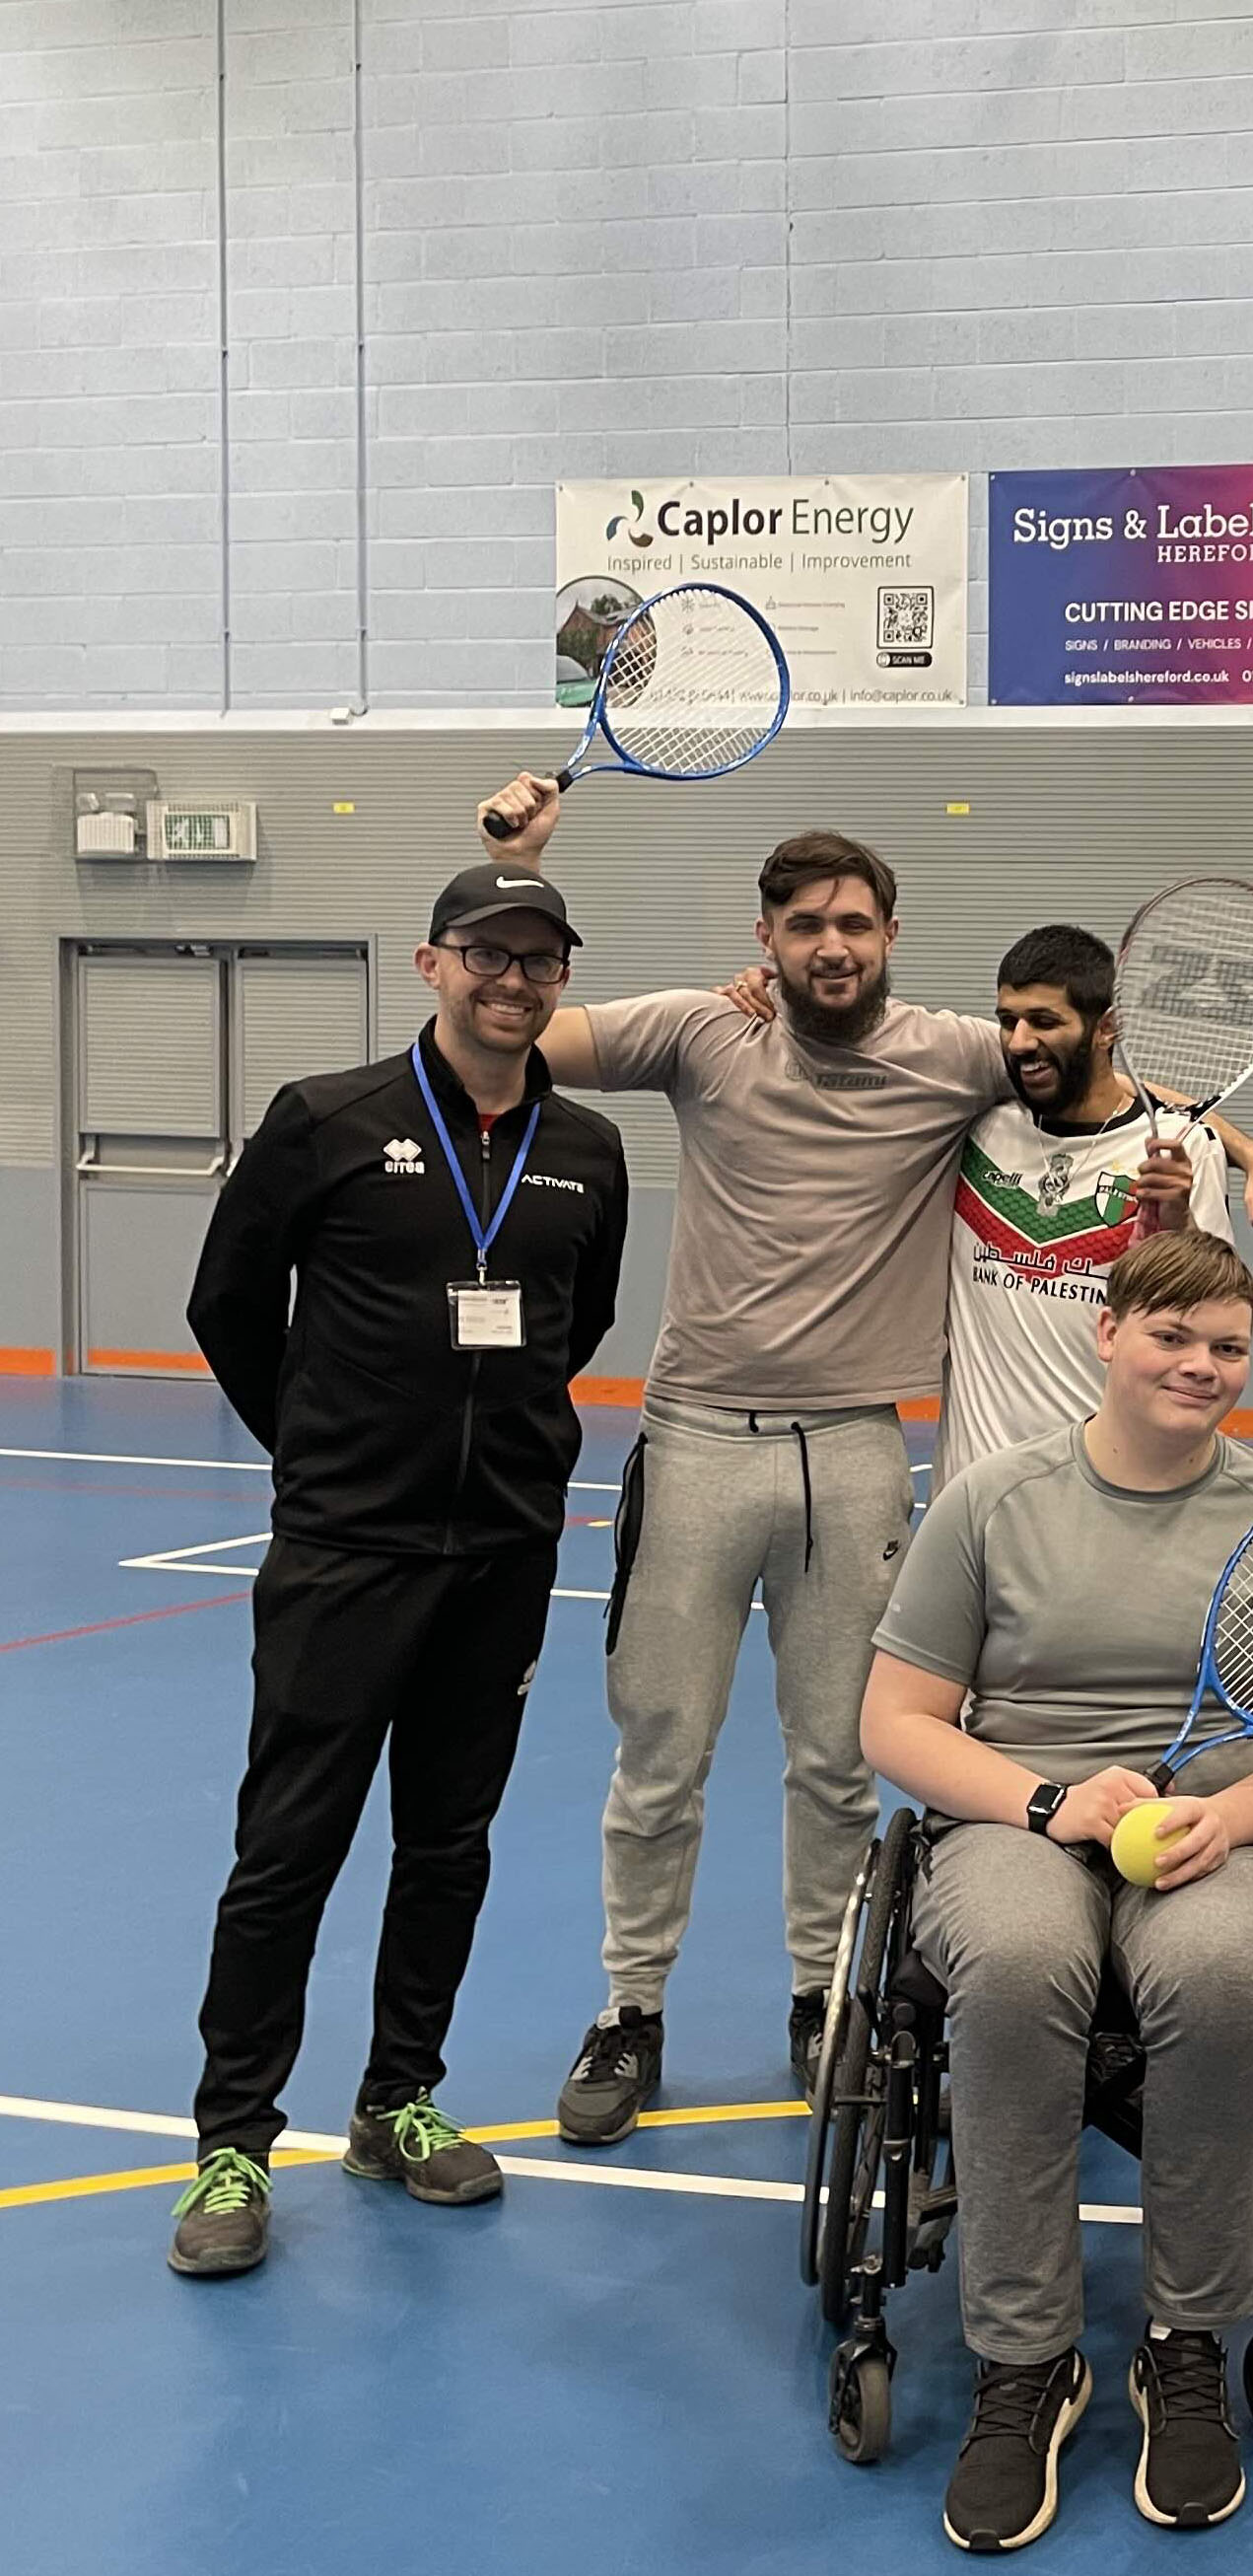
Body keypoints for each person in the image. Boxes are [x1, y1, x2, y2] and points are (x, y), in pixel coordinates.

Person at [475, 768, 1037, 2141]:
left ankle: (825, 1999)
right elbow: (496, 1044)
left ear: (891, 936)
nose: (830, 946)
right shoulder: (701, 1034)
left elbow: (1092, 1064)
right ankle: (631, 2011)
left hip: (855, 1454)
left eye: (854, 923)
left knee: (841, 1757)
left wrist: (1249, 1157)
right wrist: (513, 865)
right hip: (699, 1444)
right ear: (767, 936)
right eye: (804, 925)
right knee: (661, 1752)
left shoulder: (955, 1053)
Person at [170, 863, 631, 2276]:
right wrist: (321, 1453)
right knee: (287, 1849)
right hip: (345, 1554)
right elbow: (228, 1303)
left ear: (561, 976)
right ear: (432, 966)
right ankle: (233, 2142)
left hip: (499, 1559)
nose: (513, 978)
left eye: (539, 957)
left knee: (447, 1844)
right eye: (486, 953)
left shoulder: (591, 1151)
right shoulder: (328, 1120)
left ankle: (398, 2102)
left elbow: (576, 1323)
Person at [862, 1231, 1253, 2549]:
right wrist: (1043, 1801)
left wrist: (1229, 1815)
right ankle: (1029, 2362)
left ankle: (1186, 2339)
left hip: (1214, 1828)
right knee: (1016, 1967)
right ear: (1108, 1336)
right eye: (1171, 1336)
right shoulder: (995, 1501)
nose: (1200, 1366)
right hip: (1020, 1812)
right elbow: (897, 1721)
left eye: (1227, 1347)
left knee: (1213, 1975)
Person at [931, 922, 1253, 1489]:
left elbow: (1205, 1320)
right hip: (971, 1494)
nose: (1018, 1041)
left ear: (1106, 1028)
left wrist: (1177, 1226)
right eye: (1008, 1020)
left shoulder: (1181, 1151)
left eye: (1044, 1021)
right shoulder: (977, 1127)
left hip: (1105, 1491)